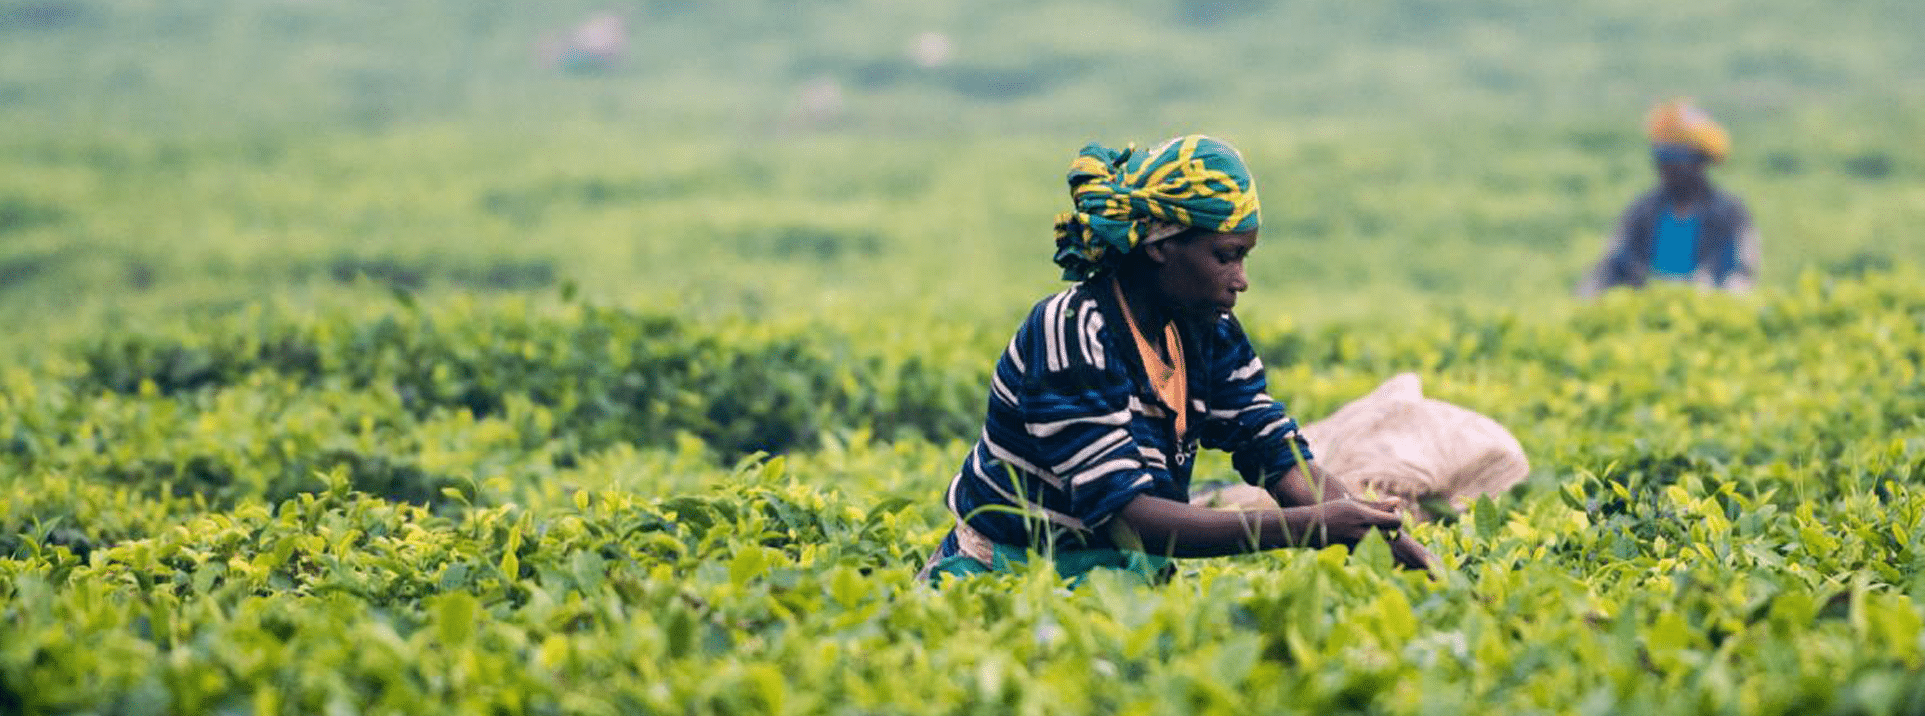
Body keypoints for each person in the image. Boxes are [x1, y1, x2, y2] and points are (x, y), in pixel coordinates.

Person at [919, 135, 1437, 586]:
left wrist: (1389, 544)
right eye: (1225, 255)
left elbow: (1277, 454)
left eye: (1244, 258)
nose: (1240, 279)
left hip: (1125, 573)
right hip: (1014, 574)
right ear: (1161, 245)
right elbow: (1128, 517)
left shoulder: (1207, 328)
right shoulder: (1073, 331)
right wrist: (1309, 527)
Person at [1578, 99, 1761, 297]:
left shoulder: (1728, 214)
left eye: (1676, 161)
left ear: (1700, 164)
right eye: (1662, 160)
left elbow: (1741, 272)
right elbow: (1611, 264)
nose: (1667, 170)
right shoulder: (1642, 212)